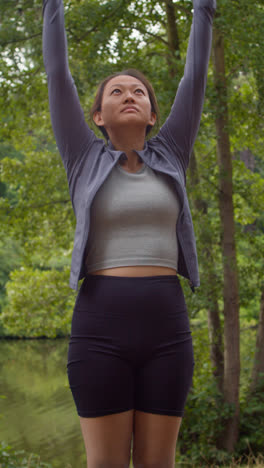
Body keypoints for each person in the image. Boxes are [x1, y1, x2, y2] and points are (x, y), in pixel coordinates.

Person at [42, 0, 216, 466]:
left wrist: (204, 8)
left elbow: (194, 77)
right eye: (116, 91)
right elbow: (58, 75)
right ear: (97, 116)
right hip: (100, 324)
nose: (129, 95)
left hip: (167, 325)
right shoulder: (82, 158)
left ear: (153, 115)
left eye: (138, 91)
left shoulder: (173, 153)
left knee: (158, 463)